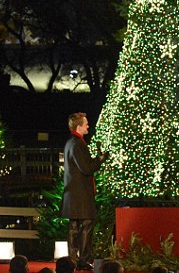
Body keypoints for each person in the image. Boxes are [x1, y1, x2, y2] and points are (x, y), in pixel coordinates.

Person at [62, 112, 106, 270]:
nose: (88, 125)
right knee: (87, 225)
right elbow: (86, 168)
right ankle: (84, 260)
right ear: (79, 126)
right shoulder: (78, 144)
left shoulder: (70, 143)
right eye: (86, 123)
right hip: (80, 195)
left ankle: (73, 260)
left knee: (74, 228)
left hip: (72, 194)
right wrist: (99, 160)